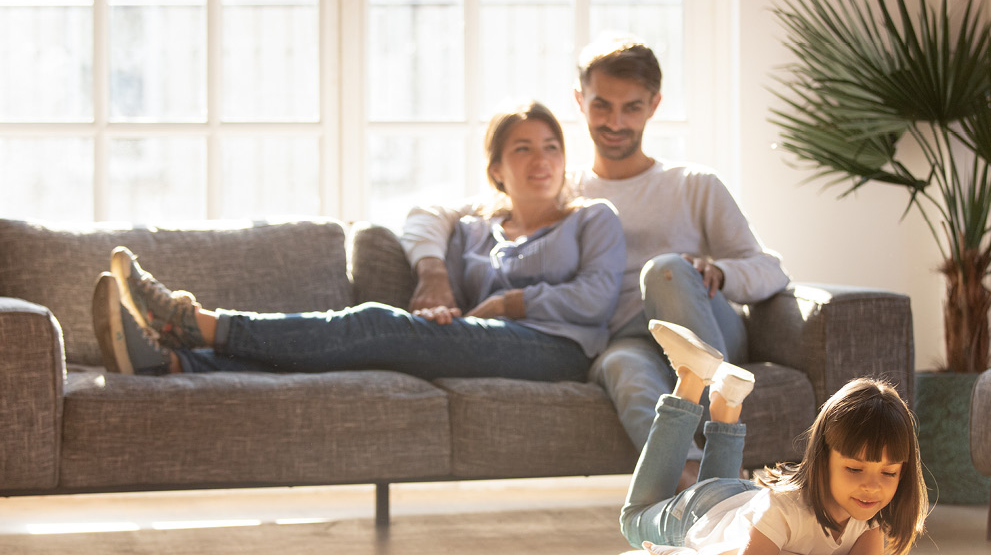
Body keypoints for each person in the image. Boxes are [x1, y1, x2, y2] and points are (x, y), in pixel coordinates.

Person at [401, 36, 790, 489]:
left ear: (654, 105)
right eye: (602, 105)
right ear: (579, 101)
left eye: (632, 107)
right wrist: (432, 272)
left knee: (663, 270)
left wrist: (719, 271)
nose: (615, 122)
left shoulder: (693, 185)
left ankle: (722, 417)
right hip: (631, 340)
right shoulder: (564, 190)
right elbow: (432, 213)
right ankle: (701, 491)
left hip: (703, 326)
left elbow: (770, 270)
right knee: (620, 366)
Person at [91, 101, 625, 383]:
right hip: (484, 341)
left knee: (374, 323)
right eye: (524, 149)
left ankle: (196, 325)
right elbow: (427, 226)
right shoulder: (471, 231)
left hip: (557, 350)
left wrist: (512, 302)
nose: (542, 160)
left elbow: (596, 298)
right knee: (359, 349)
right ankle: (175, 365)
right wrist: (441, 297)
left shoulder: (592, 219)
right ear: (496, 169)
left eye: (553, 147)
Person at [623, 318, 950, 555]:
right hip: (697, 513)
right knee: (633, 519)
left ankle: (728, 401)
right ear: (823, 458)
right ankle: (691, 380)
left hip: (738, 499)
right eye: (854, 468)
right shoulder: (785, 510)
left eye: (889, 473)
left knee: (716, 490)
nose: (872, 486)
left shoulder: (867, 510)